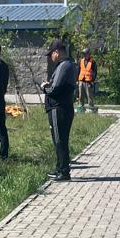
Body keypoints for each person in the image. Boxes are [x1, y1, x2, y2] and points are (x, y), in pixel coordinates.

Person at [41, 38, 77, 181]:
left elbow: (55, 89)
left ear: (57, 52)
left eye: (51, 54)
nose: (50, 57)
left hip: (58, 108)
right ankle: (59, 168)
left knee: (59, 140)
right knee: (60, 139)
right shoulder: (69, 64)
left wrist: (45, 87)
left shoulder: (64, 66)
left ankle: (63, 171)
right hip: (64, 107)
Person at [77, 48, 98, 113]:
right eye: (83, 54)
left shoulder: (93, 62)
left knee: (89, 95)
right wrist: (77, 79)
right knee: (80, 95)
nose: (84, 55)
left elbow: (95, 72)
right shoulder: (81, 61)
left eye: (86, 54)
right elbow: (78, 70)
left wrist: (93, 80)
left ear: (89, 54)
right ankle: (81, 107)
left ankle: (91, 108)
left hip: (89, 81)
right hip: (81, 80)